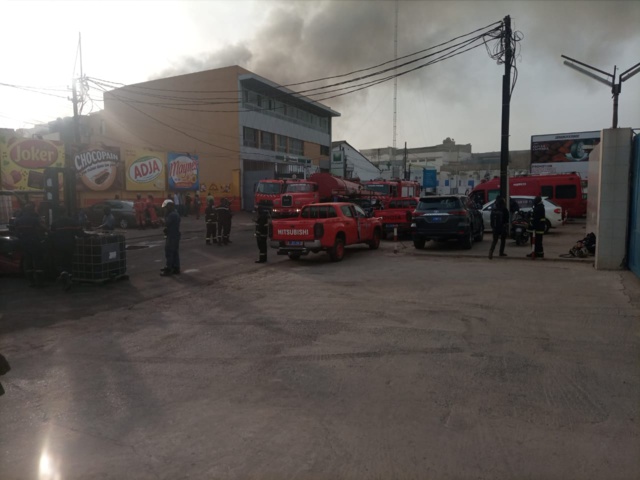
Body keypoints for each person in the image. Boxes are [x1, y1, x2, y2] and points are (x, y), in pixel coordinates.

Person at [13, 203, 46, 287]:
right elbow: (42, 228)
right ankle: (40, 282)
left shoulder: (18, 220)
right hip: (35, 242)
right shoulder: (34, 219)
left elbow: (16, 233)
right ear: (32, 210)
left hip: (24, 243)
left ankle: (31, 282)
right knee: (38, 261)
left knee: (28, 262)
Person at [50, 214, 86, 289]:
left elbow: (51, 234)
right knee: (69, 262)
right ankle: (68, 278)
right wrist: (89, 235)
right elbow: (80, 234)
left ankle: (65, 277)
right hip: (70, 245)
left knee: (59, 263)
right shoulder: (72, 221)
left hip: (59, 246)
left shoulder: (55, 222)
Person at [160, 199, 181, 276]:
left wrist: (162, 220)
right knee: (175, 252)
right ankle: (176, 267)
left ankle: (169, 269)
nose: (165, 209)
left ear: (169, 207)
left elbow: (166, 223)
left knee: (169, 252)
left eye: (166, 208)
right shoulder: (175, 213)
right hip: (175, 235)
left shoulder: (172, 215)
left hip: (172, 236)